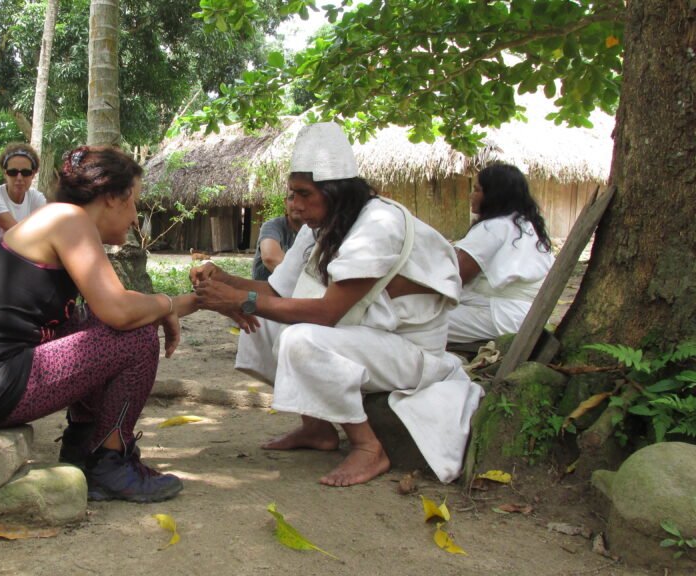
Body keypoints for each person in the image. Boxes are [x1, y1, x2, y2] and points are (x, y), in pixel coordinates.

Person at [192, 123, 483, 486]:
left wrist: (242, 300)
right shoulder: (320, 226)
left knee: (299, 339)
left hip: (411, 352)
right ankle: (317, 429)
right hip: (362, 338)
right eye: (292, 195)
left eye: (303, 194)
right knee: (260, 327)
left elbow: (327, 313)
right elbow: (277, 293)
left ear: (335, 192)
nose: (295, 207)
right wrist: (224, 280)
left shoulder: (379, 223)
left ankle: (368, 448)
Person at [0, 146, 196, 503]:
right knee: (135, 333)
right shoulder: (68, 220)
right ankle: (109, 461)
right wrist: (166, 305)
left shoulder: (55, 220)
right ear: (112, 198)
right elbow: (120, 311)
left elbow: (105, 310)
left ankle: (82, 448)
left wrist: (168, 304)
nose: (135, 216)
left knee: (88, 322)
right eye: (135, 201)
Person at [447, 164, 554, 343]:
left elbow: (453, 279)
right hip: (526, 315)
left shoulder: (493, 227)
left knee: (408, 320)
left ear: (494, 195)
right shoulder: (526, 225)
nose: (471, 195)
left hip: (506, 315)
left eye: (477, 190)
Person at [0, 142, 48, 244]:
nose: (19, 178)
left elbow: (44, 232)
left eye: (26, 173)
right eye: (13, 172)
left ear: (33, 174)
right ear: (5, 173)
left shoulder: (37, 198)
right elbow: (16, 233)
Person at [252, 194, 303, 281]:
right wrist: (306, 280)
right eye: (291, 198)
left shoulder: (316, 231)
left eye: (302, 198)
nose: (295, 203)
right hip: (265, 290)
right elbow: (270, 257)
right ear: (285, 202)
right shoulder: (272, 226)